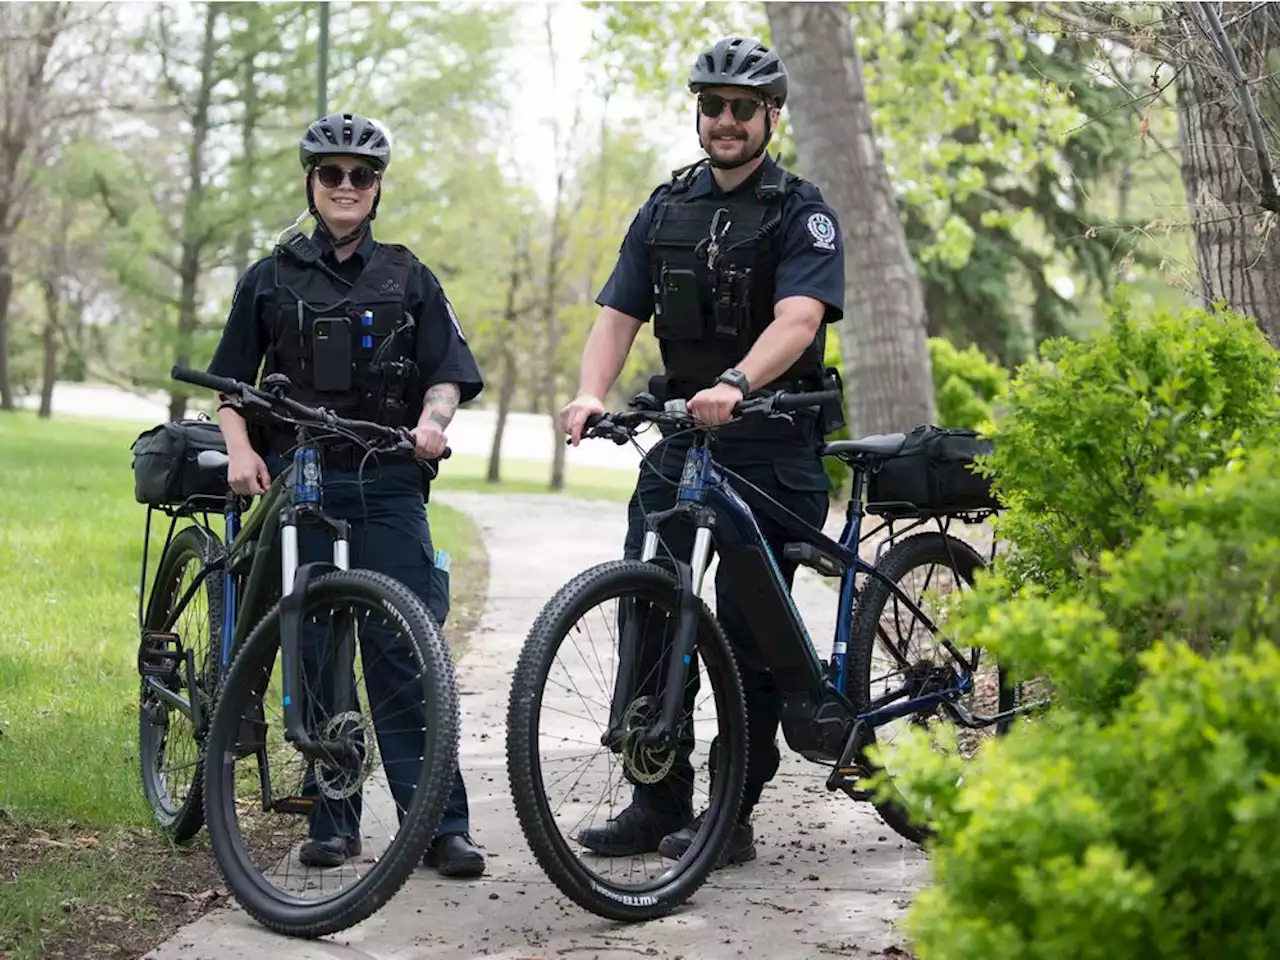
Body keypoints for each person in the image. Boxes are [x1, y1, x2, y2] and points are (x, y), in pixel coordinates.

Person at [559, 37, 846, 867]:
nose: (725, 121)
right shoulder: (666, 207)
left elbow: (800, 319)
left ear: (771, 119)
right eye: (713, 106)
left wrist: (737, 382)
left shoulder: (803, 209)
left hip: (771, 439)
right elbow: (618, 316)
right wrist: (589, 391)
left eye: (742, 109)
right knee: (648, 602)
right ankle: (657, 799)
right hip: (683, 439)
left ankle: (731, 811)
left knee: (748, 631)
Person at [206, 111, 486, 879]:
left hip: (389, 481)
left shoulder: (409, 275)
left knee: (402, 651)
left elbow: (448, 374)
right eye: (331, 174)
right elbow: (231, 387)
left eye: (360, 176)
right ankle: (333, 820)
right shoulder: (269, 276)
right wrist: (238, 452)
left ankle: (440, 826)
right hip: (303, 478)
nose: (346, 187)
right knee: (319, 648)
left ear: (377, 188)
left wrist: (433, 423)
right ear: (312, 182)